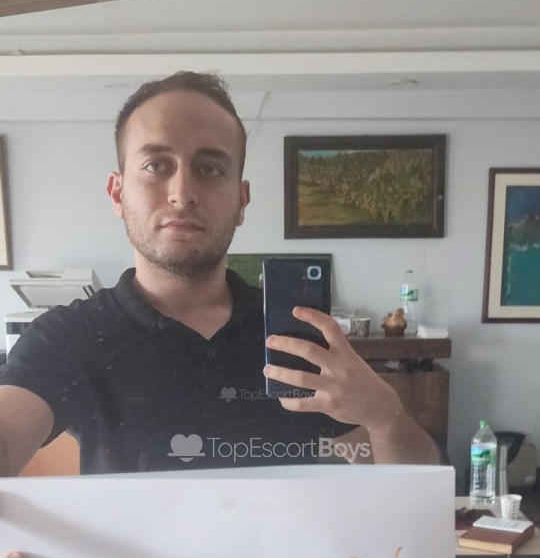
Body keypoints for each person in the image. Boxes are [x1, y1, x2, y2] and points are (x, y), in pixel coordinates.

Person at [0, 70, 438, 478]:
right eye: (156, 165)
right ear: (118, 193)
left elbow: (412, 486)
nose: (182, 193)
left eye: (209, 168)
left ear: (241, 201)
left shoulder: (298, 335)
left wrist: (387, 417)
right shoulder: (69, 336)